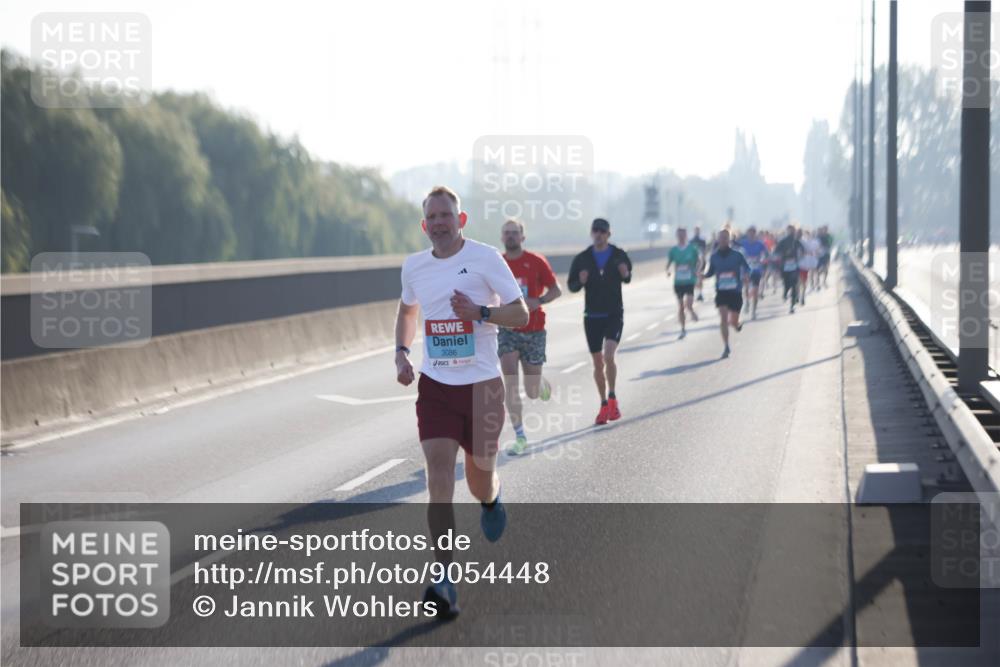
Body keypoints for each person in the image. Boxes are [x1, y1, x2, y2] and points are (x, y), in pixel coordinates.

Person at [395, 186, 529, 618]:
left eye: (446, 215)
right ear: (424, 225)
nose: (439, 222)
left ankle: (491, 498)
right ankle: (444, 578)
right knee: (438, 477)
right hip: (436, 386)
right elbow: (408, 311)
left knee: (478, 481)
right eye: (432, 217)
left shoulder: (486, 258)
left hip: (482, 387)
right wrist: (401, 352)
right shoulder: (414, 266)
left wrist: (480, 313)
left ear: (461, 220)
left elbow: (521, 313)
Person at [497, 219, 562, 455]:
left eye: (515, 233)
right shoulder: (497, 263)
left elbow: (556, 289)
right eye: (507, 233)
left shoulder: (536, 261)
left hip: (534, 329)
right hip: (508, 330)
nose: (511, 236)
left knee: (532, 390)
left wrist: (539, 301)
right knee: (510, 382)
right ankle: (520, 435)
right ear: (502, 237)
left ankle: (540, 383)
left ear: (522, 237)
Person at [567, 218, 633, 425]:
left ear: (608, 234)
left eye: (603, 231)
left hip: (614, 314)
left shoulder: (619, 254)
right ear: (591, 233)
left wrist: (625, 273)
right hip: (592, 316)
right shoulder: (583, 258)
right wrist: (580, 281)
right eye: (595, 230)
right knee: (597, 362)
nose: (599, 234)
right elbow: (572, 286)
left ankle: (612, 397)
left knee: (609, 355)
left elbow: (628, 277)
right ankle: (603, 403)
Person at [702, 228, 750, 358]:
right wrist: (703, 276)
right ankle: (726, 346)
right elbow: (711, 272)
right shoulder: (714, 256)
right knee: (723, 319)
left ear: (729, 239)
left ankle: (737, 324)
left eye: (725, 237)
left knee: (733, 321)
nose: (723, 240)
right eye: (721, 238)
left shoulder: (737, 255)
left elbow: (747, 268)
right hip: (721, 291)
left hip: (735, 291)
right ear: (718, 239)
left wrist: (746, 275)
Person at [666, 227, 701, 338]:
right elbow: (669, 263)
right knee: (681, 306)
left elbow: (699, 261)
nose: (681, 237)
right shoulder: (673, 250)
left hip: (689, 280)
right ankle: (683, 328)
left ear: (686, 236)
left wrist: (697, 270)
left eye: (683, 235)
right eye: (679, 235)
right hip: (678, 282)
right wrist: (668, 270)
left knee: (689, 305)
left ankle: (691, 311)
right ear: (677, 236)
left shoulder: (692, 248)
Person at [737, 226, 768, 320]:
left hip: (756, 269)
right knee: (746, 288)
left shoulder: (760, 244)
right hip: (745, 269)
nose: (751, 235)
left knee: (755, 291)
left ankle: (753, 311)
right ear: (747, 234)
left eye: (753, 233)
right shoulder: (743, 243)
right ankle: (746, 301)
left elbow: (766, 254)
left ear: (755, 234)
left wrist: (762, 259)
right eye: (749, 233)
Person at [774, 224, 805, 314]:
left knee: (794, 284)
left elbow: (802, 250)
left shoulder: (796, 241)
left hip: (794, 266)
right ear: (787, 231)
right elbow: (776, 251)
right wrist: (783, 254)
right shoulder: (783, 241)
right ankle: (785, 292)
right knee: (786, 283)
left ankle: (792, 306)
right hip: (785, 265)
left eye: (793, 230)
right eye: (790, 230)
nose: (791, 232)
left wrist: (799, 257)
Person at [691, 225, 708, 301]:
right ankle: (696, 292)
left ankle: (700, 293)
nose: (697, 232)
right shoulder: (691, 241)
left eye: (698, 230)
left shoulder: (702, 241)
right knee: (694, 278)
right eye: (696, 230)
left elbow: (705, 251)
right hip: (694, 262)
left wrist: (703, 259)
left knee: (700, 277)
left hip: (701, 261)